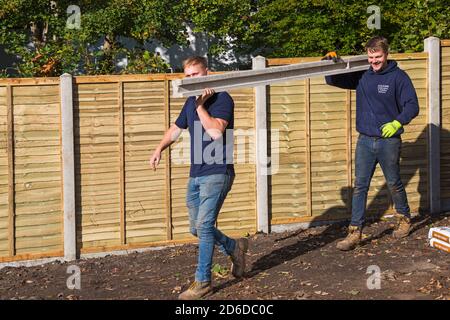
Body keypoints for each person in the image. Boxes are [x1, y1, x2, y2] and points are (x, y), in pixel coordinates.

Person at [149, 56, 248, 299]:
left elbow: (215, 132)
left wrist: (201, 106)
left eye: (196, 75)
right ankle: (234, 247)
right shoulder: (190, 102)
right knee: (196, 227)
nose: (191, 79)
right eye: (188, 76)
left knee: (204, 226)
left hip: (218, 171)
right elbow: (175, 129)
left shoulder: (223, 98)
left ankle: (203, 282)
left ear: (208, 73)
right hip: (196, 173)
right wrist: (158, 148)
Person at [323, 36, 419, 251]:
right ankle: (354, 232)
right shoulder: (363, 75)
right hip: (365, 140)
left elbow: (412, 105)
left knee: (393, 182)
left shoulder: (399, 78)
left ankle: (404, 219)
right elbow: (333, 80)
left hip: (388, 141)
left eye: (378, 57)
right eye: (371, 57)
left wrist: (397, 122)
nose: (374, 61)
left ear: (386, 55)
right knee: (360, 186)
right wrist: (329, 65)